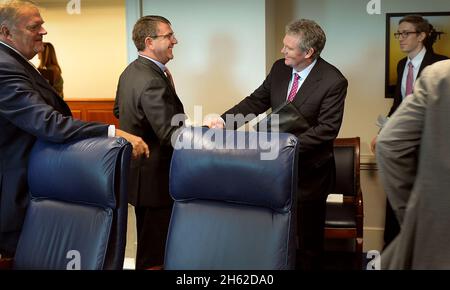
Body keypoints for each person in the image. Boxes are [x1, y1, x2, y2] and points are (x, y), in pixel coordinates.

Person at [0, 0, 149, 258]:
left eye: (43, 24)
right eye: (35, 26)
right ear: (6, 32)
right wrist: (113, 133)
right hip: (15, 194)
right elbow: (49, 123)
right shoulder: (4, 66)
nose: (44, 31)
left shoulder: (15, 61)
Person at [208, 19, 347, 270]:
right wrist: (223, 122)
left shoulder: (333, 80)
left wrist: (284, 147)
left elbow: (326, 131)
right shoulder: (279, 69)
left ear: (308, 52)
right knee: (277, 234)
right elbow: (255, 102)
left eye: (289, 48)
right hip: (274, 172)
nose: (282, 51)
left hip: (310, 175)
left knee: (308, 243)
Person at [370, 15, 448, 248]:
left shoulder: (440, 66)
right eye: (398, 34)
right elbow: (399, 106)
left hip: (430, 144)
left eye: (406, 33)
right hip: (403, 143)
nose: (400, 39)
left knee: (424, 197)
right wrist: (384, 132)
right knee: (397, 195)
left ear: (422, 35)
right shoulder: (402, 65)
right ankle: (396, 247)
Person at [113, 15, 185, 269]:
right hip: (156, 180)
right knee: (154, 253)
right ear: (149, 42)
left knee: (148, 244)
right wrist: (203, 136)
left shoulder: (130, 72)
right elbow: (169, 133)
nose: (174, 40)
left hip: (140, 177)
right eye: (168, 36)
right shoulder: (153, 79)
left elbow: (118, 112)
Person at [377, 60, 450, 269]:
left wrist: (416, 212)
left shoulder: (439, 75)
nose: (401, 37)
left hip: (436, 237)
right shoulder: (403, 66)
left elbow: (390, 144)